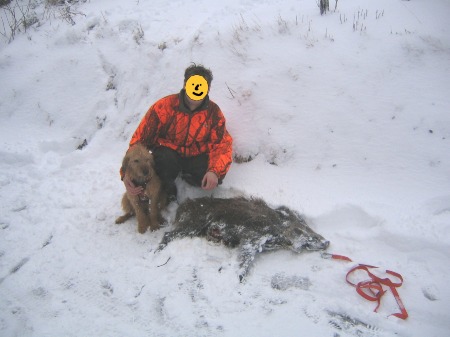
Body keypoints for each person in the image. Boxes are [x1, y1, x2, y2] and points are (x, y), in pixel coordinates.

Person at [122, 64, 233, 200]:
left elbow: (222, 145)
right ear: (185, 84)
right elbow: (138, 142)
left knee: (210, 174)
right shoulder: (164, 107)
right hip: (169, 155)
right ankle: (167, 187)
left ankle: (188, 177)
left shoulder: (214, 113)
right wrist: (126, 173)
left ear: (208, 89)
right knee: (162, 160)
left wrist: (214, 171)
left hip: (196, 156)